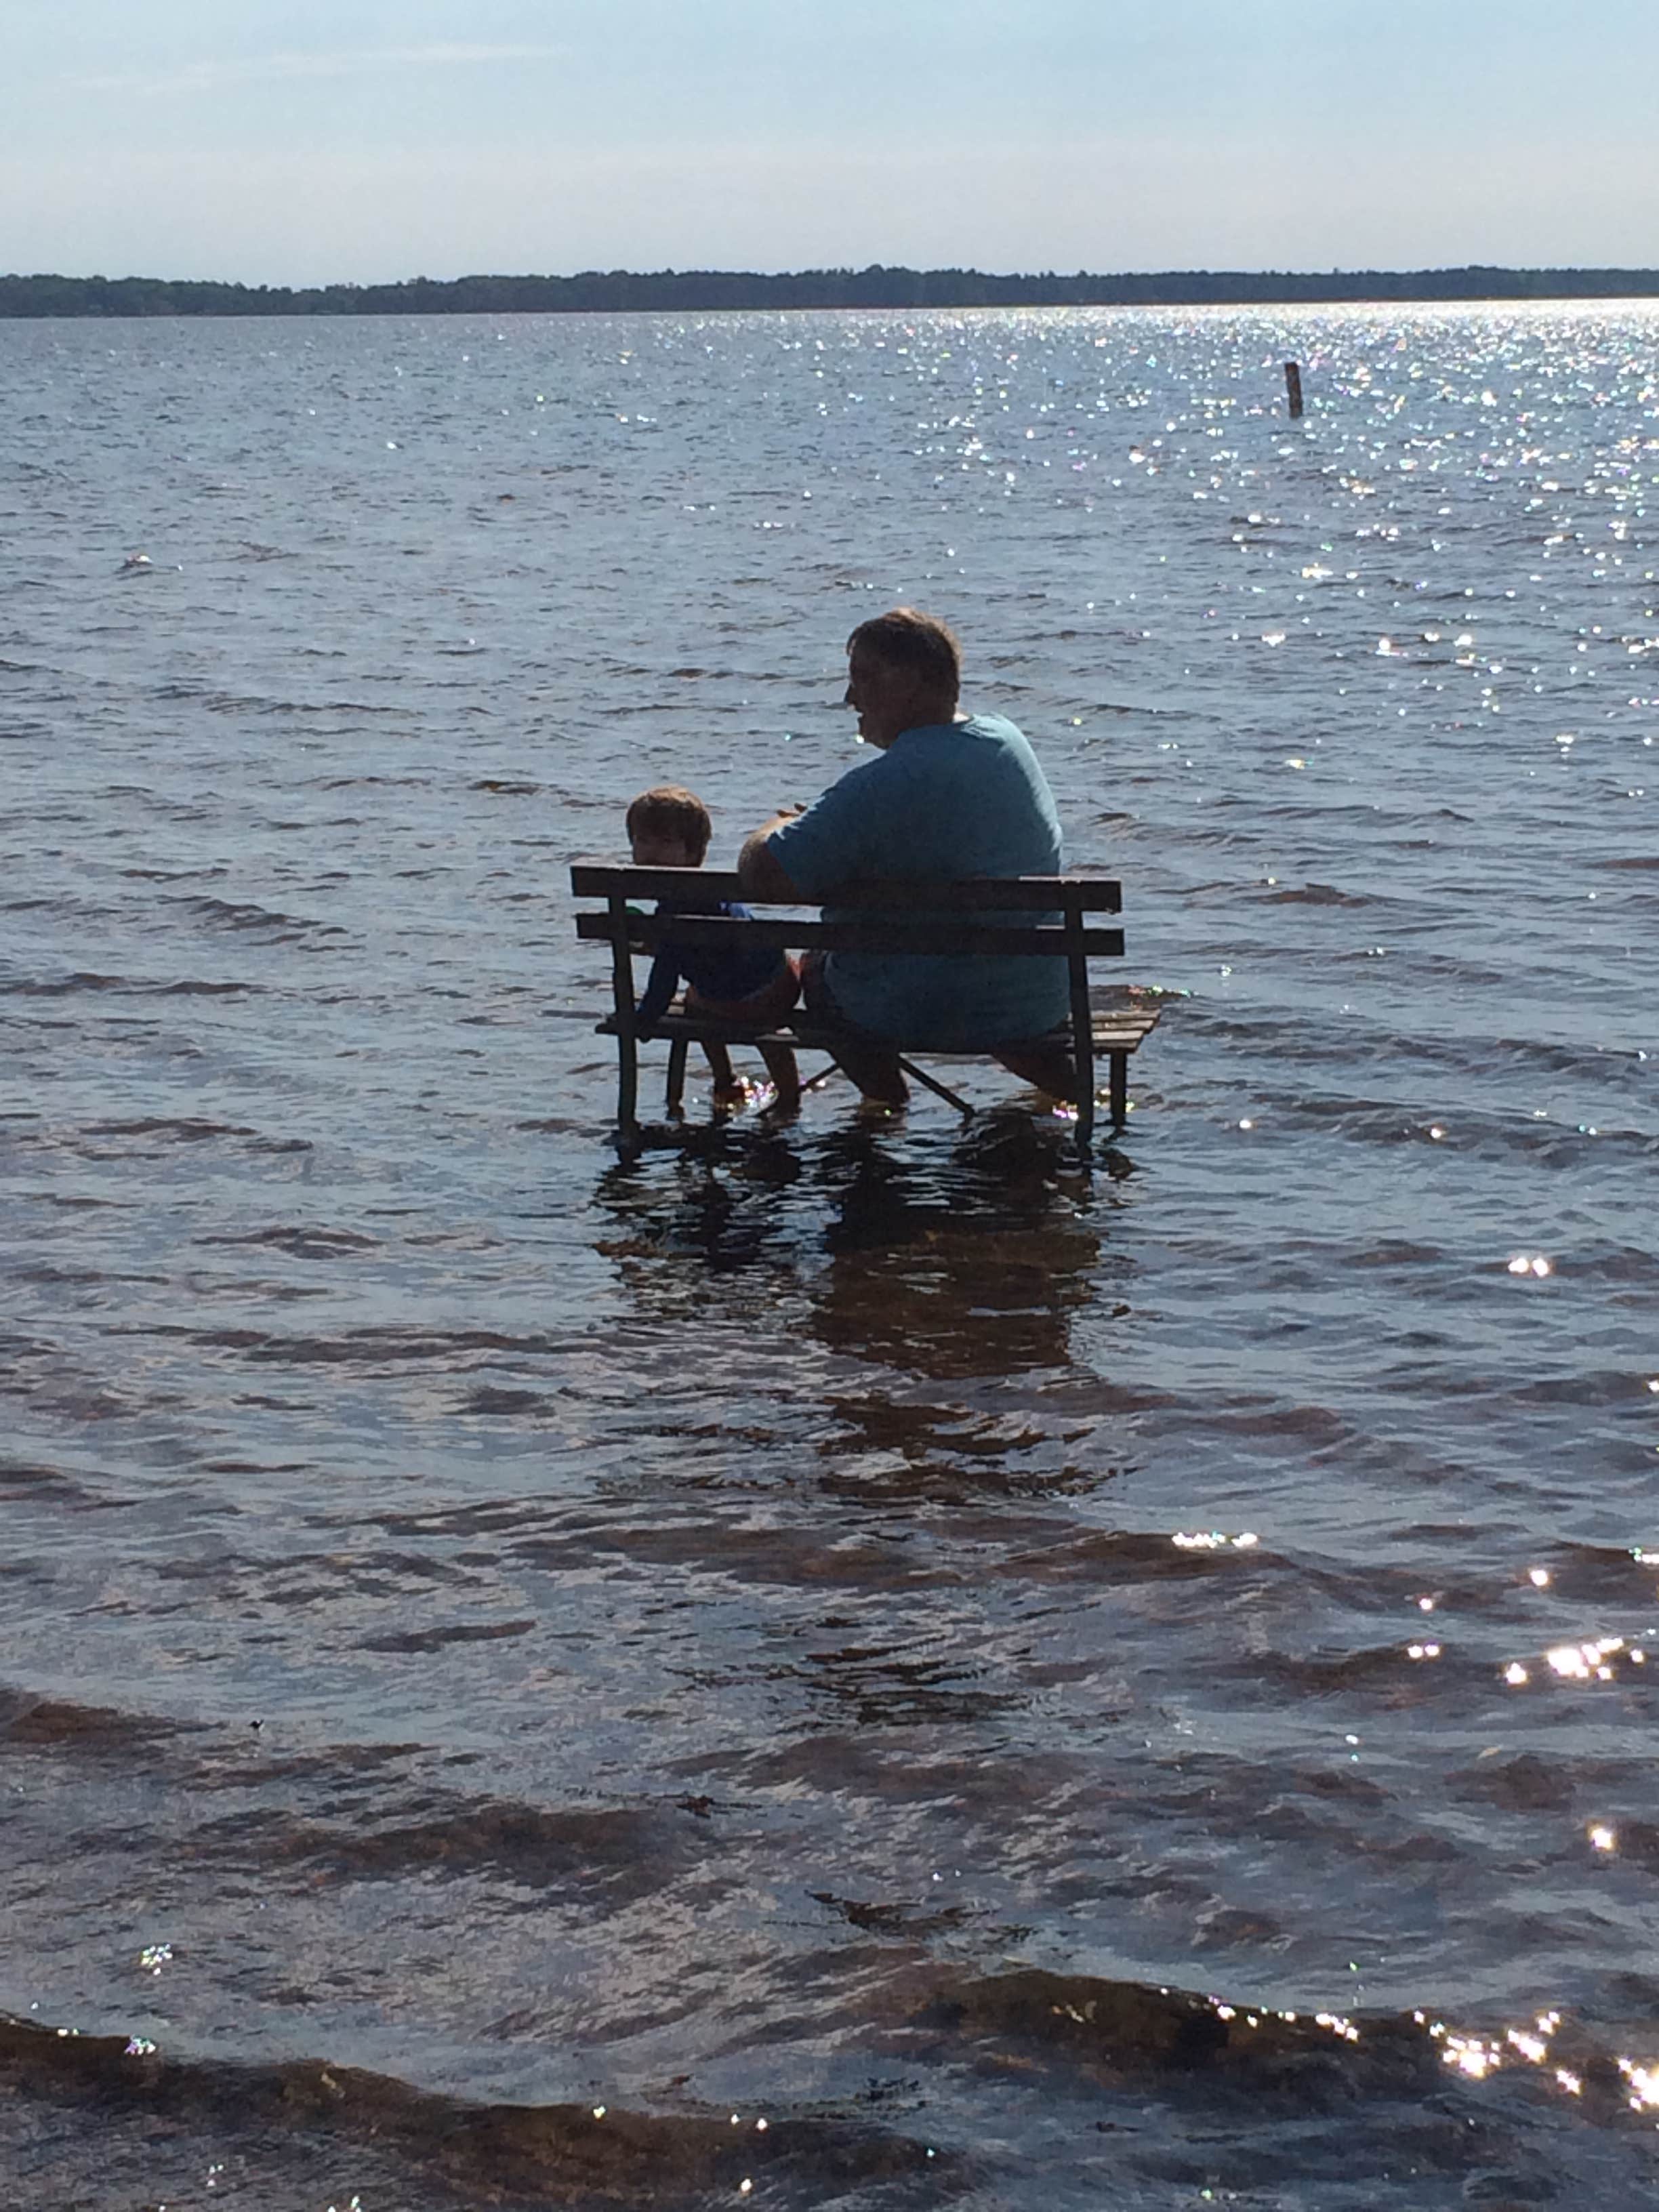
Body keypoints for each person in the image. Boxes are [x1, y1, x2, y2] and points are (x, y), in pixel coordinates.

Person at [737, 609, 1076, 1109]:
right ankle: (1076, 1096)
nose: (851, 697)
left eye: (864, 678)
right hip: (1029, 1004)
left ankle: (886, 1104)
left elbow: (763, 874)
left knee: (817, 969)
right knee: (985, 963)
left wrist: (777, 826)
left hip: (916, 1008)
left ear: (913, 681)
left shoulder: (881, 785)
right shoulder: (1008, 743)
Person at [627, 785, 801, 1107]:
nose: (651, 851)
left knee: (695, 1001)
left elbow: (665, 976)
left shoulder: (673, 911)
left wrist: (646, 1020)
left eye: (664, 842)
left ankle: (725, 1079)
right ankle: (789, 1094)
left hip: (736, 1000)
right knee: (748, 999)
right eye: (643, 840)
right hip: (778, 990)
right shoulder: (711, 893)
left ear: (693, 853)